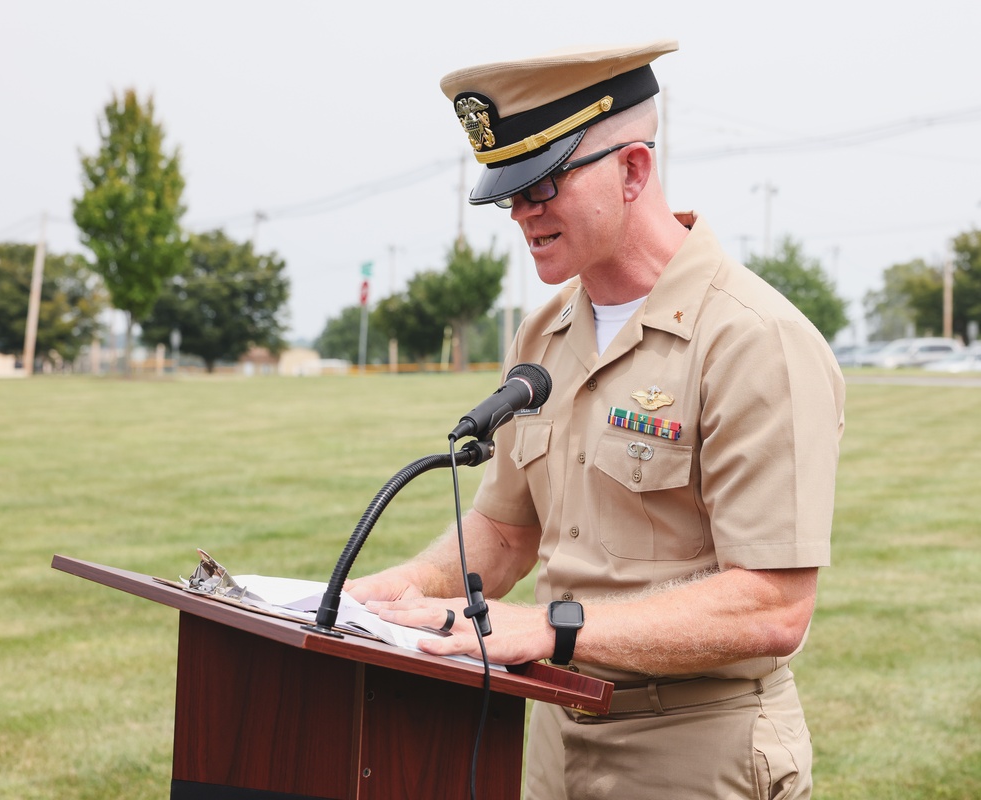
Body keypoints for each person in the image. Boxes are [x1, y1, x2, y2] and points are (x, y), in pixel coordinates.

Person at [346, 40, 846, 800]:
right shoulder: (544, 333)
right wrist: (390, 598)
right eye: (507, 193)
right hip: (554, 733)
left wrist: (551, 629)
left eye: (541, 185)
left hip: (695, 748)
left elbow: (774, 606)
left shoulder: (753, 340)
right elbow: (508, 531)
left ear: (633, 170)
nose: (520, 214)